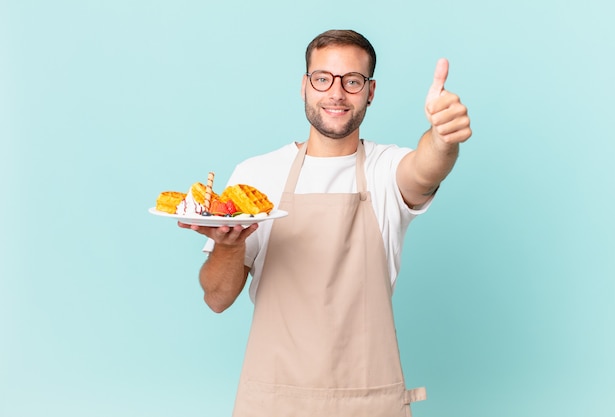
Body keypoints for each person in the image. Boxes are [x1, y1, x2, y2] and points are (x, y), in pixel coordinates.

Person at [178, 29, 471, 417]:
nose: (336, 93)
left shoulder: (386, 169)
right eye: (323, 79)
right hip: (274, 401)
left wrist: (443, 138)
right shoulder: (257, 175)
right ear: (304, 86)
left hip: (367, 402)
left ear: (370, 91)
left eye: (352, 81)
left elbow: (425, 169)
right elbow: (216, 298)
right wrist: (228, 246)